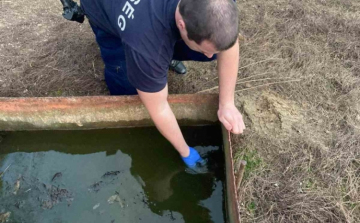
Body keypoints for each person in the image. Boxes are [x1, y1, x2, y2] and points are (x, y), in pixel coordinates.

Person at [80, 0, 245, 173]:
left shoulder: (217, 6)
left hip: (154, 27)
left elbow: (229, 43)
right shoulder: (143, 43)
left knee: (213, 47)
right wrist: (186, 151)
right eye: (205, 49)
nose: (211, 55)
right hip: (103, 8)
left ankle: (163, 58)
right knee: (128, 90)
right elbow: (158, 108)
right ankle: (148, 64)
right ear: (182, 24)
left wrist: (227, 104)